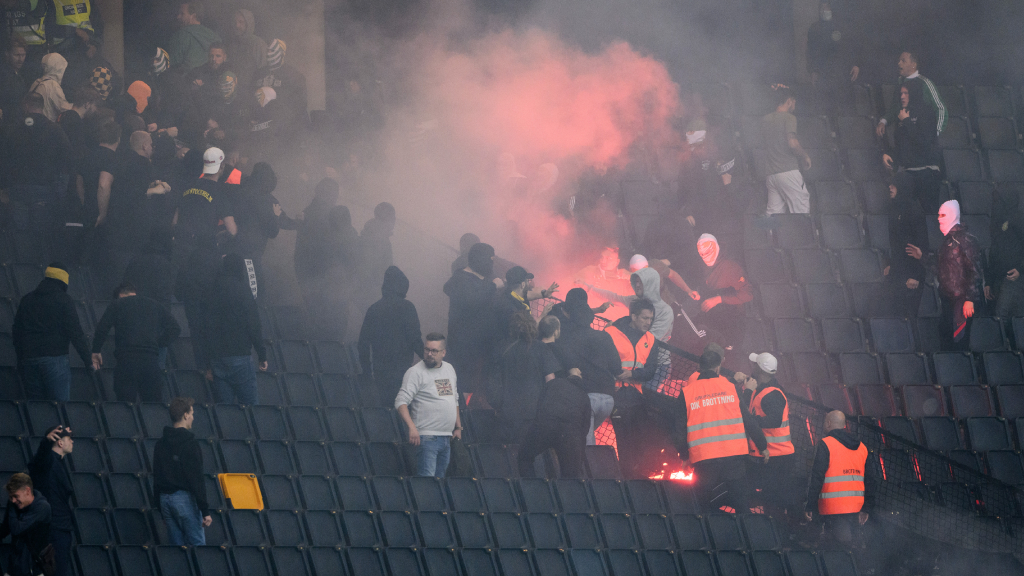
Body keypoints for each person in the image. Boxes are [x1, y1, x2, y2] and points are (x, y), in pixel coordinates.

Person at [673, 348, 767, 513]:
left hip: (704, 459)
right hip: (734, 458)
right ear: (718, 368)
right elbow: (748, 420)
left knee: (701, 506)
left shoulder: (687, 393)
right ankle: (745, 535)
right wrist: (763, 445)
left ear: (700, 368)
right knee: (741, 505)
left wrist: (684, 455)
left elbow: (679, 428)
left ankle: (705, 534)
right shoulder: (731, 388)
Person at [12, 263, 91, 400]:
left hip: (29, 360)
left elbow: (17, 332)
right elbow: (75, 332)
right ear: (64, 280)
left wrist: (21, 360)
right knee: (59, 409)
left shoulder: (27, 299)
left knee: (38, 410)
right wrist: (88, 360)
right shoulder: (64, 300)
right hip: (55, 359)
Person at [91, 282, 181, 402]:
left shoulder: (117, 304)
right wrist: (158, 343)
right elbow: (175, 328)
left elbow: (102, 329)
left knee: (125, 406)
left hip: (126, 361)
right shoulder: (155, 305)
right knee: (153, 406)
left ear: (119, 295)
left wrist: (96, 350)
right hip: (150, 361)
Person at [554, 290, 621, 445]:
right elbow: (616, 367)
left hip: (584, 397)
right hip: (607, 399)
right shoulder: (604, 336)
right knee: (584, 435)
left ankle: (590, 468)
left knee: (586, 445)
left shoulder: (564, 338)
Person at [0, 91, 72, 231]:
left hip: (18, 188)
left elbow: (4, 158)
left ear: (25, 105)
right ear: (42, 106)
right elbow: (67, 157)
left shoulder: (12, 130)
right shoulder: (54, 130)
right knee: (41, 235)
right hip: (45, 187)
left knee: (20, 235)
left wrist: (4, 187)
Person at [735, 352, 795, 514]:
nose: (751, 366)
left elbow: (774, 421)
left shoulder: (773, 394)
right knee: (763, 499)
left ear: (759, 370)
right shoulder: (760, 389)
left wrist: (752, 421)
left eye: (754, 364)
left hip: (775, 458)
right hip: (766, 455)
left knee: (773, 503)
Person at [395, 333, 462, 477]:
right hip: (426, 438)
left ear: (443, 353)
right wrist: (412, 427)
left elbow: (454, 398)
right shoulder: (415, 372)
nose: (429, 354)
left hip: (446, 437)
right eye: (427, 350)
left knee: (439, 483)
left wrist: (458, 426)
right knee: (427, 483)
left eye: (434, 351)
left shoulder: (449, 369)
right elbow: (400, 401)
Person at [204, 254, 268, 404]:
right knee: (251, 409)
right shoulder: (244, 291)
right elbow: (254, 325)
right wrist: (262, 355)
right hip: (240, 356)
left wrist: (207, 364)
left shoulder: (212, 291)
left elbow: (205, 329)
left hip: (217, 359)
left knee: (225, 412)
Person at [606, 298, 659, 477]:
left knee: (640, 440)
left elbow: (651, 370)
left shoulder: (651, 339)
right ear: (633, 316)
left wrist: (632, 374)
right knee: (624, 440)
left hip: (637, 396)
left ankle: (637, 476)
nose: (648, 322)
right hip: (616, 395)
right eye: (645, 318)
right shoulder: (610, 332)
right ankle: (627, 477)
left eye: (651, 318)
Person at [804, 410, 872, 548]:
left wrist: (810, 504)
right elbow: (871, 480)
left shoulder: (826, 444)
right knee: (852, 547)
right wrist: (867, 508)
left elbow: (817, 477)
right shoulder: (862, 447)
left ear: (828, 423)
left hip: (832, 508)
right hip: (856, 508)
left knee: (837, 549)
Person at [443, 242, 501, 402]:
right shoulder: (462, 280)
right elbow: (472, 301)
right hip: (465, 346)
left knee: (474, 388)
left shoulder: (478, 280)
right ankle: (458, 419)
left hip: (479, 346)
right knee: (462, 386)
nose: (491, 264)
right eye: (490, 260)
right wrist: (493, 286)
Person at [358, 266, 423, 407]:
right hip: (403, 372)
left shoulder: (373, 309)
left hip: (380, 372)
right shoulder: (407, 307)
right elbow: (415, 340)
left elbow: (362, 344)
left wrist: (367, 372)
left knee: (387, 411)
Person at [491, 311, 559, 444]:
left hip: (507, 411)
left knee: (507, 452)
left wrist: (497, 404)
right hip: (533, 412)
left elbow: (493, 380)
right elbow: (551, 381)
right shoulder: (540, 348)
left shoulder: (501, 347)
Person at [152, 397, 211, 546]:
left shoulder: (160, 444)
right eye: (191, 413)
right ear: (185, 415)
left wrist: (161, 509)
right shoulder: (191, 444)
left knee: (177, 553)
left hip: (165, 500)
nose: (192, 417)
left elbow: (157, 476)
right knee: (197, 548)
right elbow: (196, 478)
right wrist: (205, 510)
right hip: (184, 500)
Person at [925, 200, 983, 350]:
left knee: (959, 340)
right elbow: (941, 268)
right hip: (947, 299)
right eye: (939, 215)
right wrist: (921, 257)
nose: (939, 218)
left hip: (961, 301)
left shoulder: (967, 241)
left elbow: (975, 271)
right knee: (946, 336)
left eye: (943, 215)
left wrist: (969, 299)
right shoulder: (947, 242)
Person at [516, 367, 591, 479]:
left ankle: (531, 488)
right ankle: (566, 494)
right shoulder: (584, 395)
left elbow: (539, 406)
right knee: (571, 476)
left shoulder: (553, 384)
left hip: (545, 426)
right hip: (569, 434)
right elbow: (585, 428)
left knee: (524, 457)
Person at [881, 80, 943, 213]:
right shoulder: (902, 114)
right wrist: (890, 155)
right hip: (909, 174)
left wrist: (907, 122)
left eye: (906, 93)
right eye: (901, 93)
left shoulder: (926, 112)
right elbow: (902, 146)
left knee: (928, 215)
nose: (902, 96)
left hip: (927, 174)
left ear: (914, 94)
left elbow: (924, 141)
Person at [172, 146, 237, 262]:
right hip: (201, 257)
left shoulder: (188, 185)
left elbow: (174, 221)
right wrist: (215, 241)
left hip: (178, 251)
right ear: (222, 166)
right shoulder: (220, 193)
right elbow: (232, 230)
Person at [28, 425, 73, 576]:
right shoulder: (47, 462)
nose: (72, 442)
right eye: (69, 439)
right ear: (60, 443)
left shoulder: (58, 462)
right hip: (53, 528)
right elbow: (40, 461)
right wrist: (46, 442)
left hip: (60, 526)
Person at [695, 234, 752, 350]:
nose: (705, 257)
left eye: (707, 252)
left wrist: (719, 299)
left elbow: (748, 294)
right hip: (710, 318)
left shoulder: (732, 267)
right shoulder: (701, 265)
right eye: (701, 254)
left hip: (730, 322)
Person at [883, 172, 928, 317]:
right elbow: (895, 244)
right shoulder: (894, 210)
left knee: (908, 316)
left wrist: (915, 274)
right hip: (897, 270)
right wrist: (891, 264)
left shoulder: (915, 211)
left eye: (894, 185)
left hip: (911, 272)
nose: (890, 187)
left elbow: (922, 246)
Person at [761, 87, 811, 215]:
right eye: (794, 101)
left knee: (773, 215)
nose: (794, 104)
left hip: (771, 175)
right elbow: (792, 143)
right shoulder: (789, 118)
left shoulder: (765, 119)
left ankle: (770, 235)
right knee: (801, 212)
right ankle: (802, 235)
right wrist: (805, 155)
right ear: (789, 101)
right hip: (789, 172)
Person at [877, 51, 947, 139]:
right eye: (899, 61)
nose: (899, 63)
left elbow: (940, 108)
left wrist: (936, 131)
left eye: (903, 61)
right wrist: (883, 121)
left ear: (913, 64)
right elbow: (895, 108)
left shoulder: (925, 83)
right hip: (903, 137)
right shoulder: (899, 82)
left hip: (921, 138)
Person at [806, 2, 860, 114]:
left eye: (827, 7)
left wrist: (855, 64)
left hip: (842, 73)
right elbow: (810, 52)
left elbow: (852, 46)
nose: (825, 10)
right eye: (822, 8)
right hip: (823, 74)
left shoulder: (842, 26)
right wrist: (812, 71)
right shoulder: (815, 28)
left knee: (844, 106)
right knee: (825, 106)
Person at [0, 473, 51, 576]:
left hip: (34, 569)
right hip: (15, 568)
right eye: (11, 497)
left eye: (16, 496)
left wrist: (11, 507)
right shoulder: (15, 505)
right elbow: (5, 529)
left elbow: (17, 529)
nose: (13, 500)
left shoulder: (42, 507)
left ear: (27, 491)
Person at [985, 191, 1024, 318]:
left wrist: (1020, 269)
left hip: (1014, 278)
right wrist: (988, 282)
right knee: (999, 316)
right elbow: (993, 252)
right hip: (998, 277)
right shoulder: (996, 222)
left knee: (1003, 315)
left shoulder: (1020, 219)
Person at [167, 1, 220, 71]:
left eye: (182, 14)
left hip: (185, 79)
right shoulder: (215, 37)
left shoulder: (181, 35)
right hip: (209, 79)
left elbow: (170, 64)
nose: (178, 17)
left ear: (193, 16)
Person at [225, 8, 266, 88]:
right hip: (234, 89)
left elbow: (264, 70)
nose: (237, 25)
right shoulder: (231, 44)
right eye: (235, 22)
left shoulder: (258, 44)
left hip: (251, 89)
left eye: (241, 22)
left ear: (248, 24)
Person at [27, 52, 70, 121]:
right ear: (59, 68)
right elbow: (65, 108)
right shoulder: (52, 85)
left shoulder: (37, 82)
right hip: (47, 126)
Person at [0, 37, 28, 125]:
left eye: (23, 55)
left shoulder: (19, 74)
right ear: (7, 54)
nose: (20, 59)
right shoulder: (4, 76)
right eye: (16, 55)